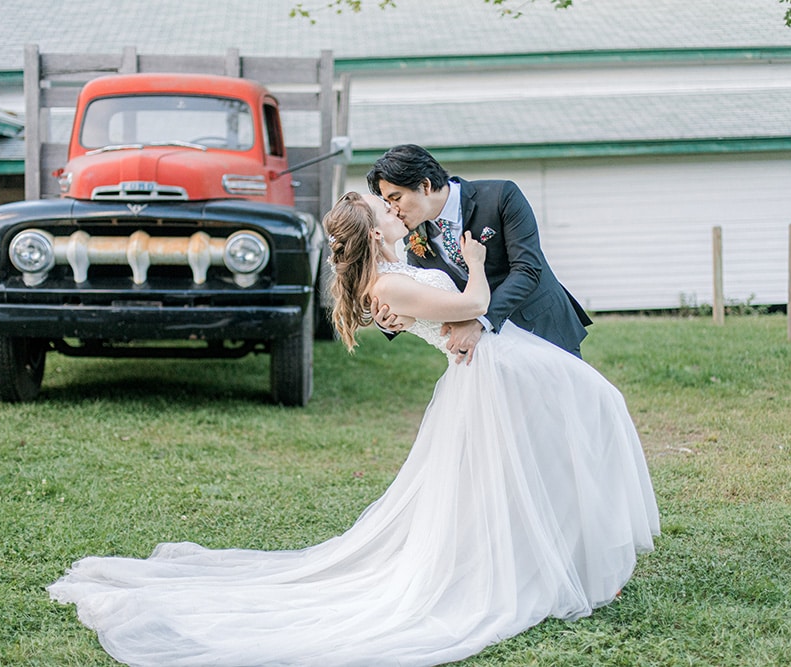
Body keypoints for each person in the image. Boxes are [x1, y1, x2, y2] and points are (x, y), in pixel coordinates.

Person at [46, 192, 660, 667]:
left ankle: (562, 553)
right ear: (372, 232)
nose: (394, 209)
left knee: (562, 442)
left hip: (503, 365)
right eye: (382, 208)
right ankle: (547, 564)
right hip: (492, 372)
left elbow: (427, 299)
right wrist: (475, 265)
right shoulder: (388, 281)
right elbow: (472, 306)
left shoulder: (396, 269)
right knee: (581, 421)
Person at [366, 143, 592, 364]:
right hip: (488, 353)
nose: (394, 209)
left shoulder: (500, 197)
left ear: (425, 186)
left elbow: (528, 269)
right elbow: (422, 293)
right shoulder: (412, 233)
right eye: (387, 202)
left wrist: (479, 322)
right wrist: (388, 320)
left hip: (541, 326)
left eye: (396, 198)